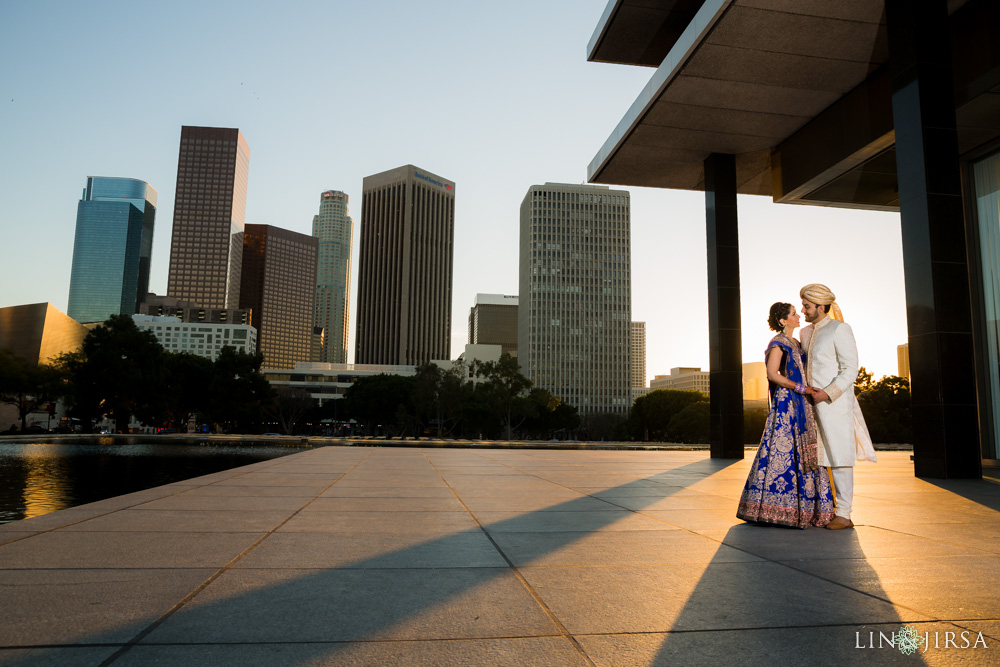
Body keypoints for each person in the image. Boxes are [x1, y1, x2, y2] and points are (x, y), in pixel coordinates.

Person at [737, 302, 835, 528]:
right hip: (787, 402)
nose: (798, 315)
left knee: (806, 449)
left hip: (802, 402)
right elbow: (772, 374)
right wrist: (801, 389)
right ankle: (777, 508)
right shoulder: (778, 343)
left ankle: (806, 508)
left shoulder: (796, 343)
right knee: (783, 449)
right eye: (793, 313)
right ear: (782, 321)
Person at [799, 283, 869, 530]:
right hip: (809, 405)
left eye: (807, 306)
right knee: (816, 458)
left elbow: (850, 369)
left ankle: (845, 514)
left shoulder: (840, 329)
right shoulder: (805, 333)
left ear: (820, 306)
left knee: (839, 457)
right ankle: (822, 509)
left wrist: (828, 393)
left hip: (835, 403)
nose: (803, 310)